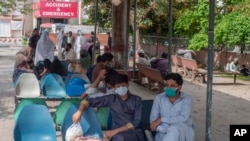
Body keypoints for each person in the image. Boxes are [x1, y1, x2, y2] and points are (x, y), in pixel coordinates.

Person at [72, 73, 144, 141]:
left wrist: (114, 131)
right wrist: (79, 111)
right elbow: (88, 101)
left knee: (120, 137)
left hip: (134, 133)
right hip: (116, 134)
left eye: (123, 85)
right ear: (114, 88)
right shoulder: (111, 99)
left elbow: (136, 122)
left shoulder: (137, 100)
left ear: (128, 85)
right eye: (118, 86)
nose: (121, 88)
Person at [150, 73, 194, 141]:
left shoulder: (186, 99)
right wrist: (163, 128)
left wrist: (162, 119)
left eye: (172, 86)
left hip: (182, 130)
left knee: (174, 129)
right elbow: (153, 119)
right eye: (167, 85)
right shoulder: (159, 98)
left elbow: (183, 118)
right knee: (171, 133)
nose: (169, 88)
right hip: (162, 131)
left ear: (179, 87)